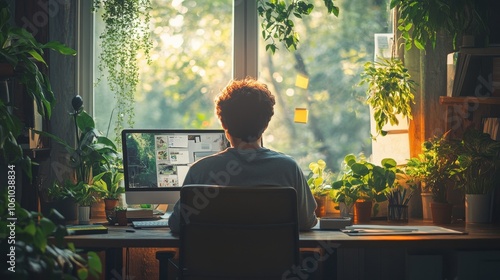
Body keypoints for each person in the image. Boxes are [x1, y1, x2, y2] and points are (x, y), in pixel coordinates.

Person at [168, 77, 317, 233]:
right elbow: (306, 221)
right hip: (270, 257)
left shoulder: (200, 171)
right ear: (266, 124)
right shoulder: (288, 168)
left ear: (224, 124)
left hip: (216, 258)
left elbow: (177, 225)